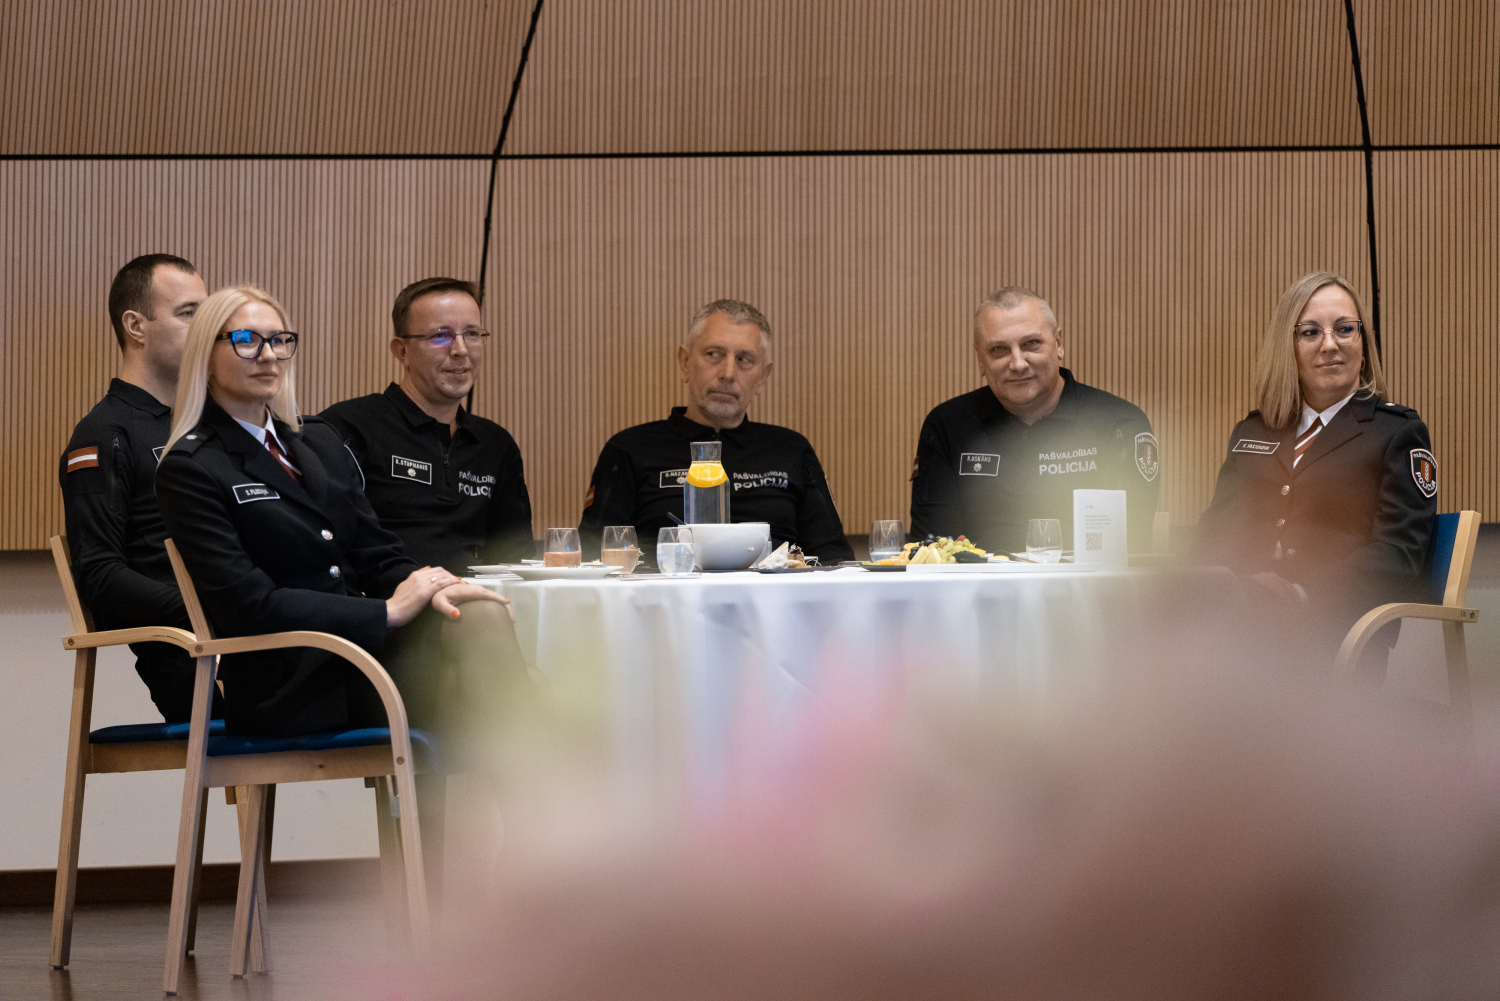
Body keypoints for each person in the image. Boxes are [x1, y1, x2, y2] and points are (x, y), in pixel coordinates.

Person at [154, 285, 529, 739]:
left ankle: (521, 772)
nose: (269, 355)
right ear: (206, 356)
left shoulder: (317, 441)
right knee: (489, 689)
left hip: (363, 655)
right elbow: (248, 606)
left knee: (477, 619)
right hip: (292, 676)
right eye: (246, 340)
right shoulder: (191, 466)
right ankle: (534, 775)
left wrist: (438, 588)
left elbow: (376, 553)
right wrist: (386, 612)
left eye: (279, 340)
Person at [1196, 271, 1436, 671]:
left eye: (1344, 329)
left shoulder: (1397, 432)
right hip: (1239, 626)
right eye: (1310, 332)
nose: (1329, 344)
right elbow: (1215, 531)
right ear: (1288, 348)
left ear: (1363, 344)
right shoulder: (1253, 431)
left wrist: (1299, 592)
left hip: (1334, 632)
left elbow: (1398, 554)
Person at [59, 254, 221, 723]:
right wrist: (212, 607)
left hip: (249, 629)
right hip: (191, 653)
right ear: (135, 326)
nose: (207, 328)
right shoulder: (104, 433)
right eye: (189, 313)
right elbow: (99, 574)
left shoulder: (214, 421)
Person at [579, 299, 854, 565]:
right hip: (667, 593)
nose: (728, 373)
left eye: (744, 359)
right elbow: (594, 556)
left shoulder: (791, 449)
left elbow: (834, 558)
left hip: (773, 596)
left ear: (763, 376)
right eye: (714, 354)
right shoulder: (630, 449)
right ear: (685, 362)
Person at [910, 288, 1160, 555]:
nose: (1018, 363)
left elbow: (1131, 545)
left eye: (1031, 344)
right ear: (981, 360)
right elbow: (932, 550)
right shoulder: (946, 426)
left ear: (1058, 343)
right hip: (979, 583)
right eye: (998, 350)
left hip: (1089, 582)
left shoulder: (1119, 424)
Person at [321, 278, 533, 573]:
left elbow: (516, 559)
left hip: (478, 596)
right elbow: (329, 547)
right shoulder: (348, 428)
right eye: (441, 336)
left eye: (472, 334)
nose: (461, 350)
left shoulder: (495, 444)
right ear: (402, 351)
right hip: (387, 596)